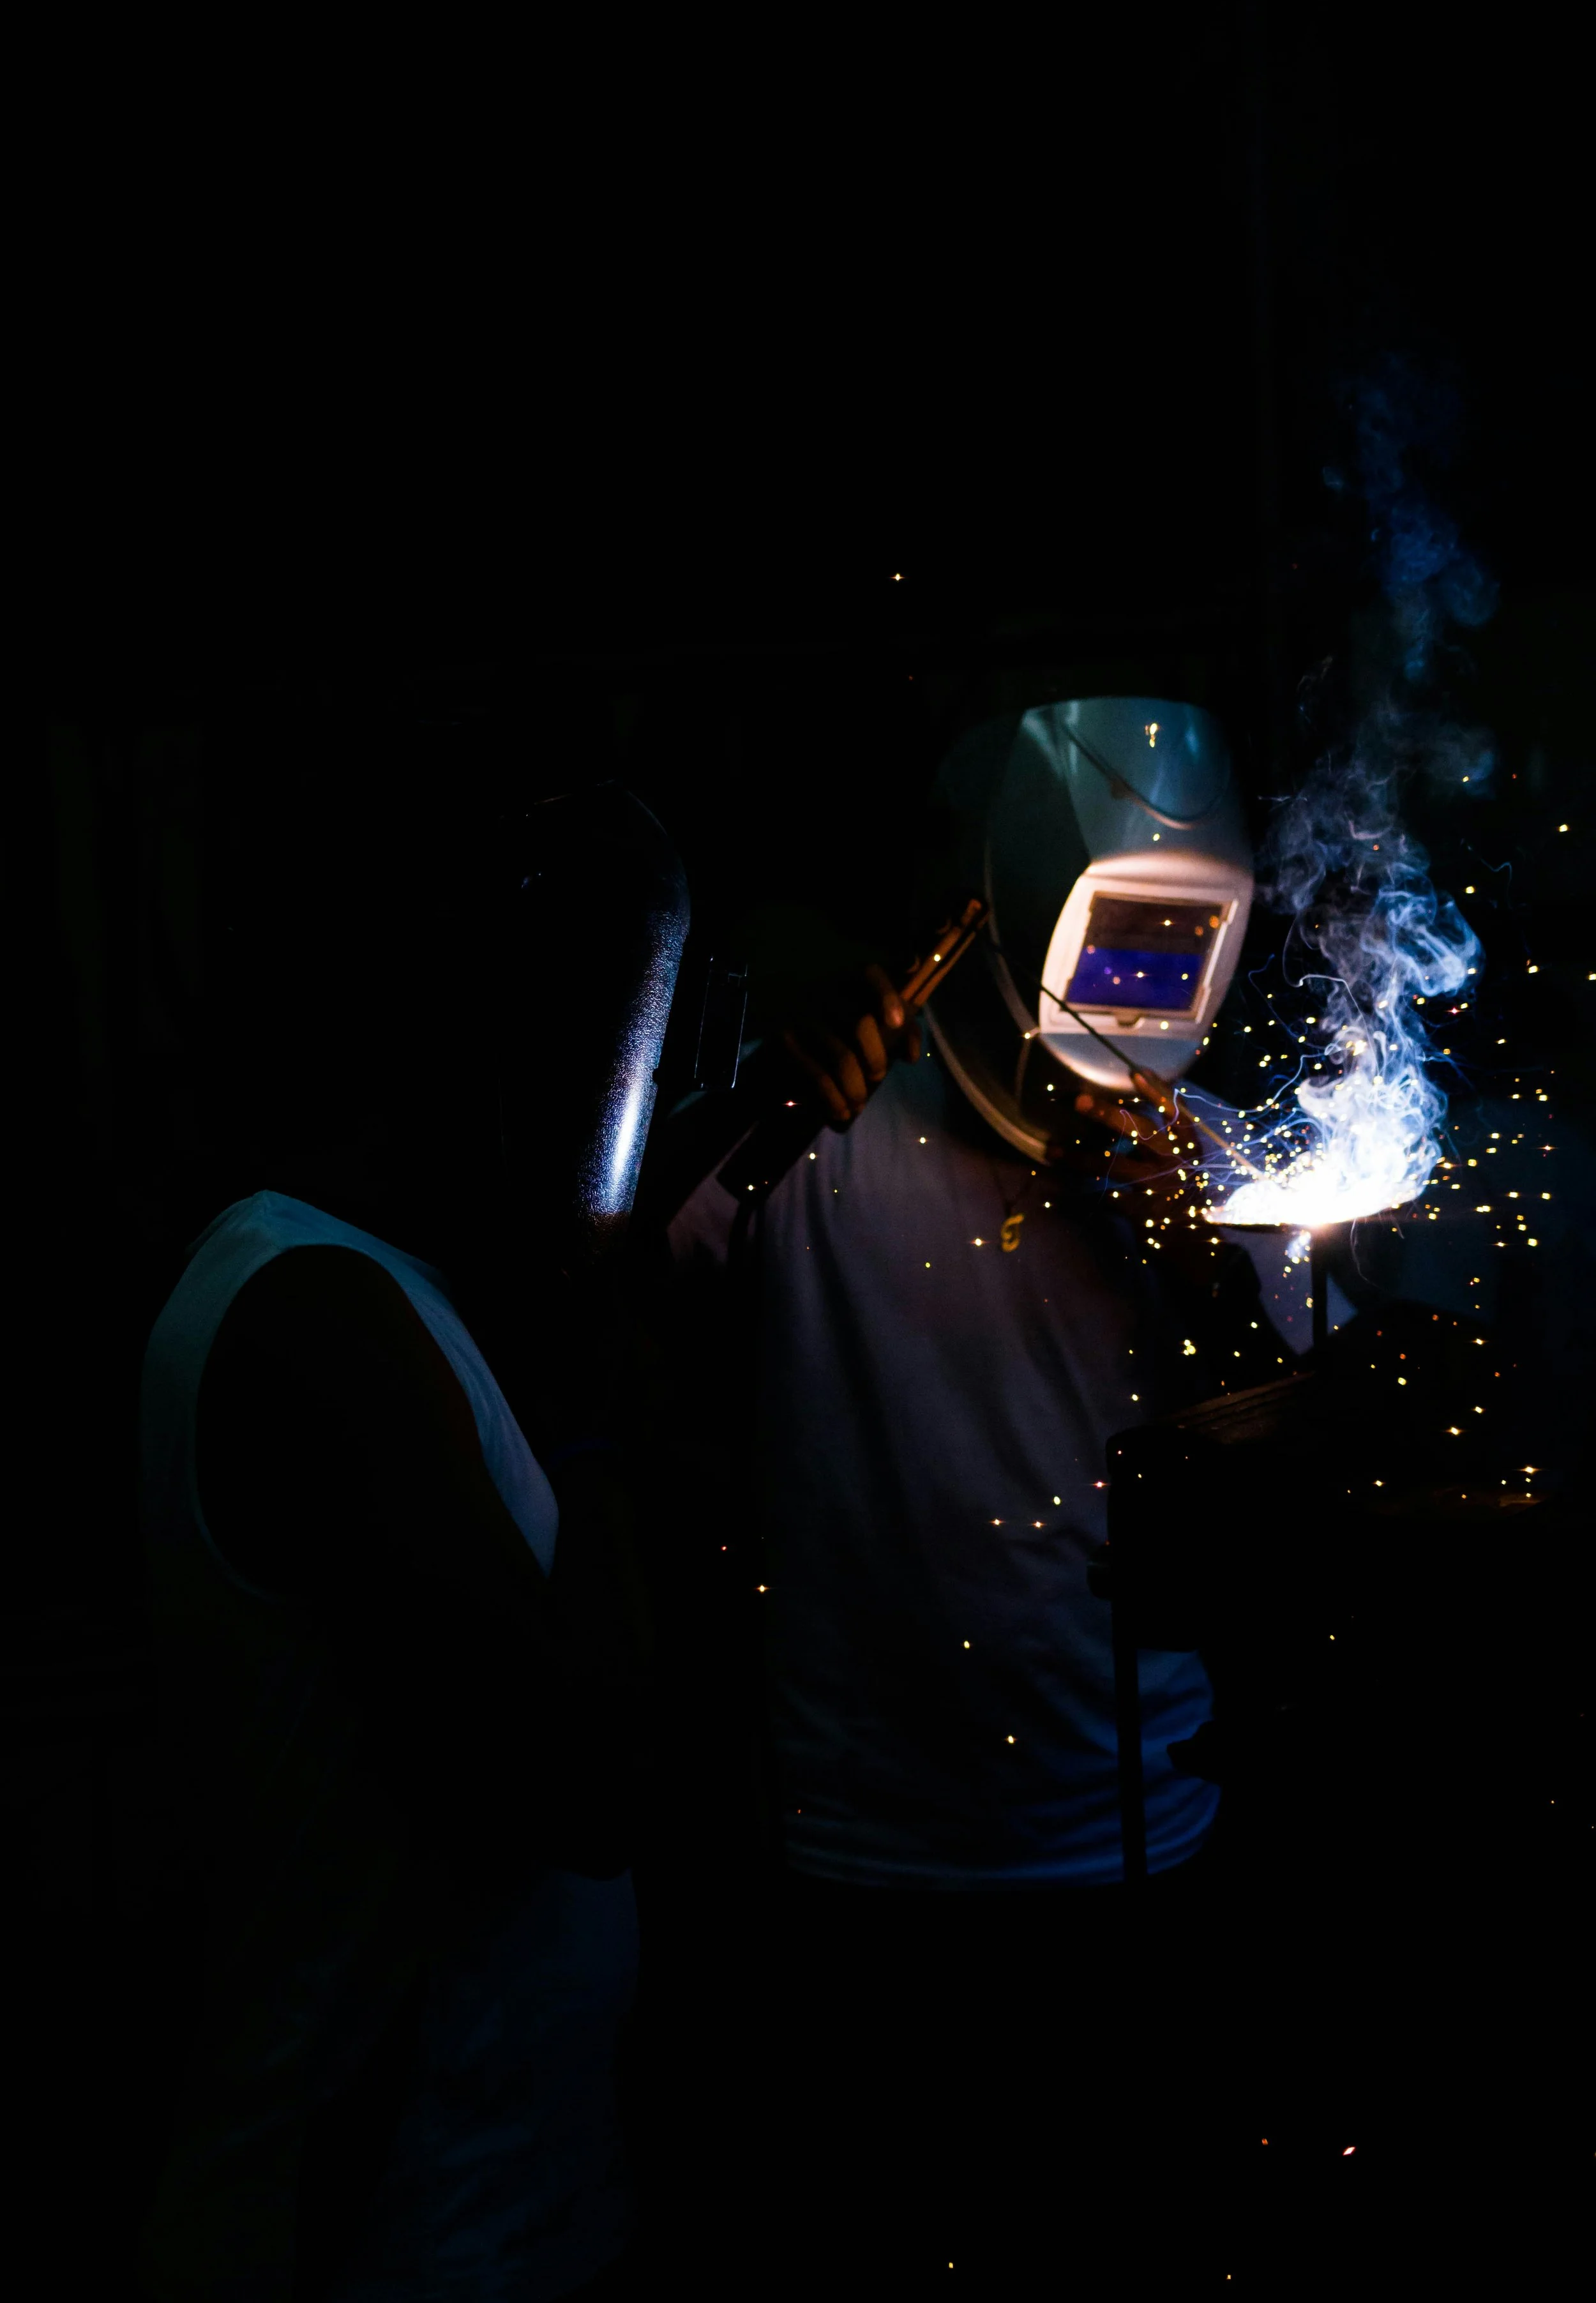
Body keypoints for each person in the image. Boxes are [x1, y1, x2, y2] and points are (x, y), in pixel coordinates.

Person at [638, 699, 1283, 2289]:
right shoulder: (813, 1142)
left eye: (1173, 951)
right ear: (1000, 917)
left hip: (1146, 1847)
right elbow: (602, 1321)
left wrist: (1200, 1265)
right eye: (1111, 943)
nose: (1133, 1006)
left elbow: (1295, 1486)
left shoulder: (1227, 1177)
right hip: (863, 1875)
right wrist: (755, 1088)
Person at [133, 772, 688, 2303]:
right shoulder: (319, 1314)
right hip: (396, 2240)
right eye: (606, 1048)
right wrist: (603, 1408)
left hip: (496, 2205)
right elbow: (577, 1783)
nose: (614, 1107)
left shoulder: (396, 1288)